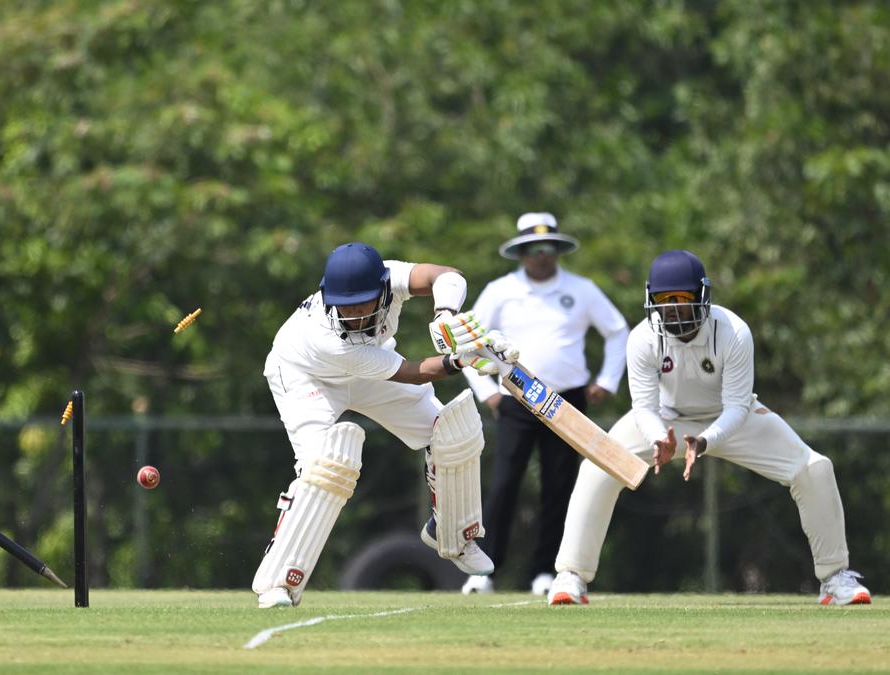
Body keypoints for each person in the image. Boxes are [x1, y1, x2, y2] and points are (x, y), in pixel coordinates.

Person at [547, 250, 872, 606]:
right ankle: (571, 576)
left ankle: (835, 578)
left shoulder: (732, 331)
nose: (672, 310)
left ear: (702, 297)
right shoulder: (642, 338)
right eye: (664, 301)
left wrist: (704, 441)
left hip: (733, 418)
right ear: (650, 301)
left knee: (813, 469)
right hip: (665, 419)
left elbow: (737, 405)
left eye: (682, 300)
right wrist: (659, 438)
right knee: (597, 468)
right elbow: (643, 407)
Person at [252, 242, 520, 608]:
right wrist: (461, 359)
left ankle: (453, 534)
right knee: (326, 467)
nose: (354, 313)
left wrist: (444, 315)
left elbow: (447, 274)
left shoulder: (391, 277)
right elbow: (411, 373)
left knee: (453, 432)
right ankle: (279, 581)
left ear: (381, 288)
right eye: (345, 305)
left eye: (363, 302)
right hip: (306, 376)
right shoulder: (328, 338)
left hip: (369, 369)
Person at [460, 212, 628, 597]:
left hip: (565, 400)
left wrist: (605, 381)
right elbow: (467, 345)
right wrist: (486, 391)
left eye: (548, 248)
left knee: (560, 485)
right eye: (533, 250)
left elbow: (617, 331)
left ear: (557, 250)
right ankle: (484, 570)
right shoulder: (501, 291)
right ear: (521, 253)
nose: (541, 256)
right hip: (516, 398)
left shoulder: (581, 289)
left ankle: (547, 571)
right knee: (503, 483)